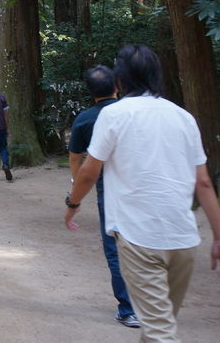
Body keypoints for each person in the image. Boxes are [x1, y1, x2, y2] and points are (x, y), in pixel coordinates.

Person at [64, 44, 220, 343]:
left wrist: (73, 203)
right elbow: (204, 183)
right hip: (183, 239)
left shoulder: (114, 115)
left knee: (160, 332)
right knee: (159, 325)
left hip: (139, 236)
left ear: (120, 80)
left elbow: (89, 171)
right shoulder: (183, 117)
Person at [68, 65, 140, 329]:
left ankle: (128, 309)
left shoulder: (85, 119)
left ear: (90, 92)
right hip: (142, 185)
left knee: (115, 250)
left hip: (108, 190)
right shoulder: (134, 113)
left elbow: (76, 158)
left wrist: (74, 193)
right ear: (117, 86)